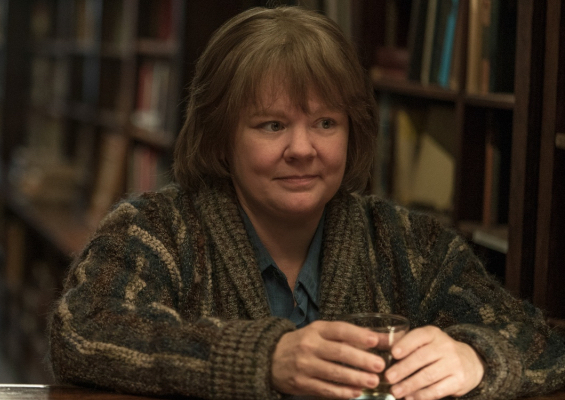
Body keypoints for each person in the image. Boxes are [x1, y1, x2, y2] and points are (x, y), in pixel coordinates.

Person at [48, 6, 565, 400]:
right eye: (272, 125)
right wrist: (265, 357)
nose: (302, 149)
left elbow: (543, 341)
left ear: (352, 132)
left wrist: (477, 356)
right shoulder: (154, 230)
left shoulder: (408, 244)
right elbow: (83, 330)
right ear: (220, 137)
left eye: (325, 123)